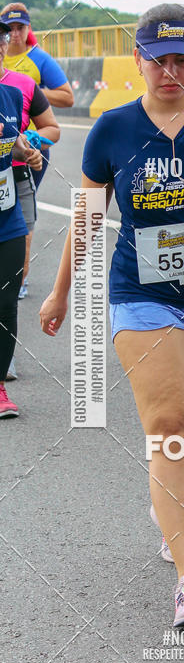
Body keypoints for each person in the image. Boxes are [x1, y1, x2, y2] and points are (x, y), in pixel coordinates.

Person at [40, 4, 184, 626]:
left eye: (182, 59)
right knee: (169, 423)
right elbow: (89, 219)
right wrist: (61, 293)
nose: (170, 71)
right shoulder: (113, 130)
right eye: (159, 59)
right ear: (140, 59)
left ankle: (169, 505)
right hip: (141, 291)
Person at [0, 18, 60, 380]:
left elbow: (30, 133)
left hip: (10, 199)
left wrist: (30, 149)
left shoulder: (16, 89)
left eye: (1, 39)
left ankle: (2, 375)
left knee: (7, 295)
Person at [2, 2, 72, 298]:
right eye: (10, 29)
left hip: (20, 169)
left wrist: (31, 140)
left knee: (22, 229)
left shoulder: (29, 76)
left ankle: (16, 280)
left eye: (20, 28)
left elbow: (56, 120)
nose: (15, 35)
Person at [0, 83, 43, 417]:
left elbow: (12, 145)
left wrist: (27, 152)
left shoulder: (10, 96)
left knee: (5, 304)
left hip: (7, 217)